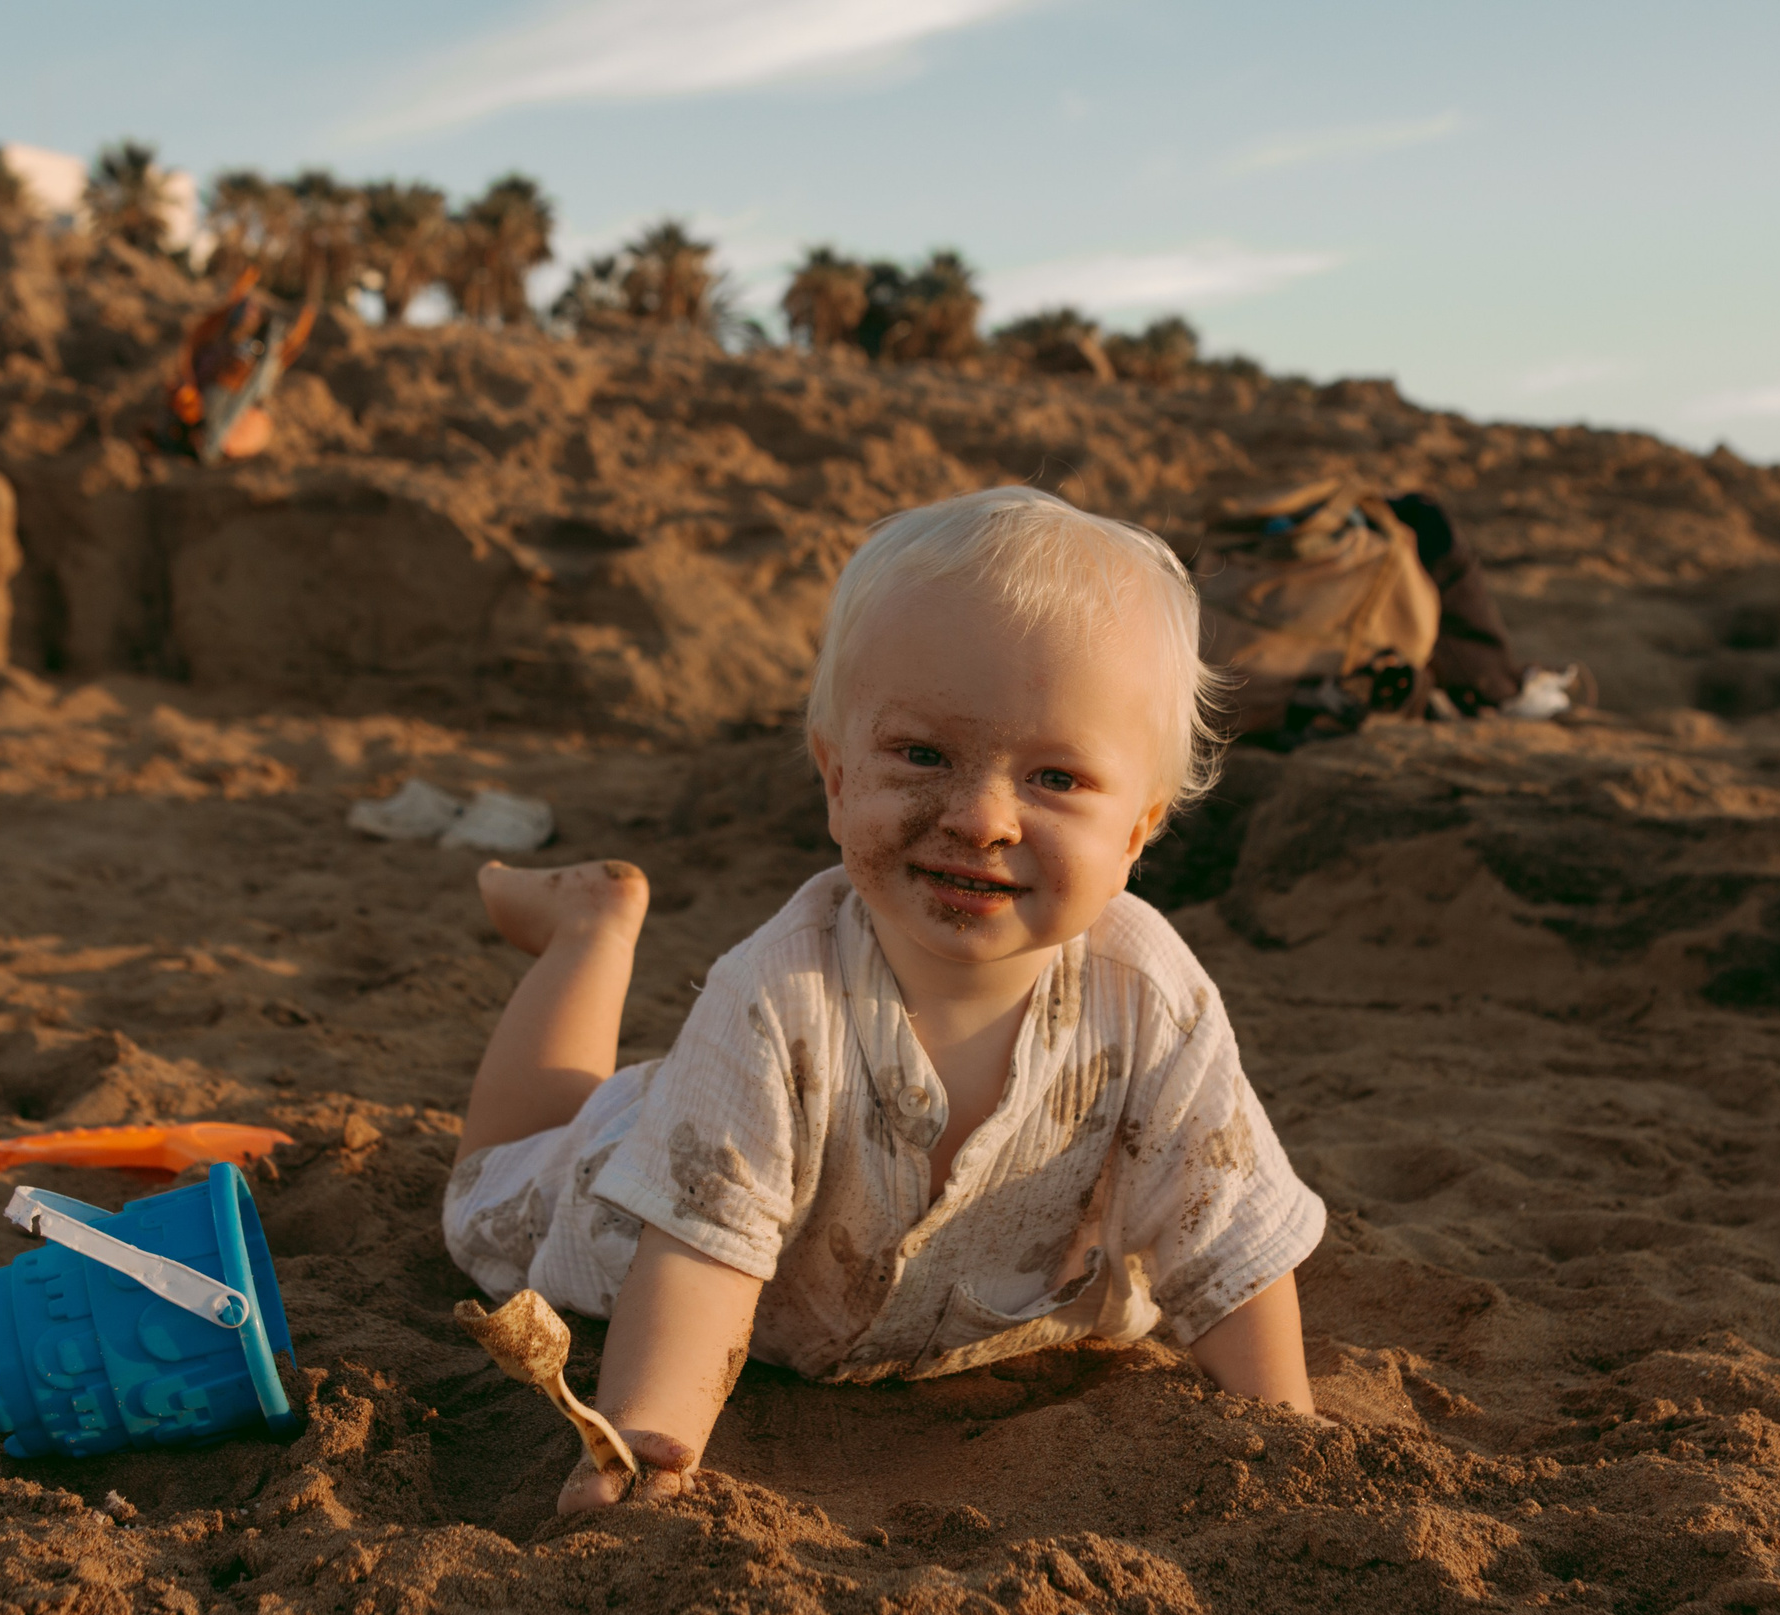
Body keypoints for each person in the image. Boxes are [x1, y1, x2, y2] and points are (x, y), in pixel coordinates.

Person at [443, 486, 1327, 1513]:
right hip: (650, 1186)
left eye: (1054, 777)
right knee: (495, 1175)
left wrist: (1291, 1446)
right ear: (834, 775)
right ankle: (588, 928)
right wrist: (650, 1444)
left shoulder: (1151, 996)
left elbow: (1227, 1235)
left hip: (921, 1289)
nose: (979, 816)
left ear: (1138, 829)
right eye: (922, 756)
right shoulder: (778, 991)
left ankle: (600, 940)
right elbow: (696, 1258)